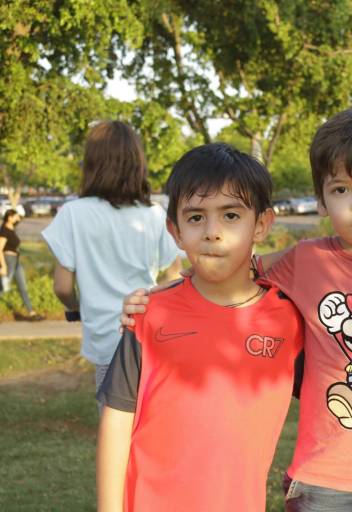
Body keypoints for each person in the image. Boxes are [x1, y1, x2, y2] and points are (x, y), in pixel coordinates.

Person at [123, 108, 352, 511]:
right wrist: (159, 297)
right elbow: (231, 268)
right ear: (321, 201)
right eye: (342, 190)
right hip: (325, 482)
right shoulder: (306, 260)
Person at [96, 143, 304, 511]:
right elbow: (117, 420)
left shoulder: (288, 319)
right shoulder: (149, 314)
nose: (212, 232)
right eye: (195, 218)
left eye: (231, 215)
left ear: (261, 224)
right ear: (175, 231)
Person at [41, 120, 182, 398]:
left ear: (91, 163)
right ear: (137, 164)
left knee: (111, 418)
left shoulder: (73, 214)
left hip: (105, 343)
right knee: (148, 417)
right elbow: (174, 276)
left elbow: (62, 287)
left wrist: (75, 308)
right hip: (147, 336)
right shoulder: (154, 214)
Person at [0, 209, 43, 321]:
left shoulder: (11, 228)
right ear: (9, 218)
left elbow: (20, 219)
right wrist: (3, 266)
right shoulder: (4, 230)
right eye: (15, 216)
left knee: (23, 288)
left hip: (16, 262)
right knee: (4, 288)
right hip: (8, 261)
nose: (17, 218)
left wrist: (19, 216)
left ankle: (31, 313)